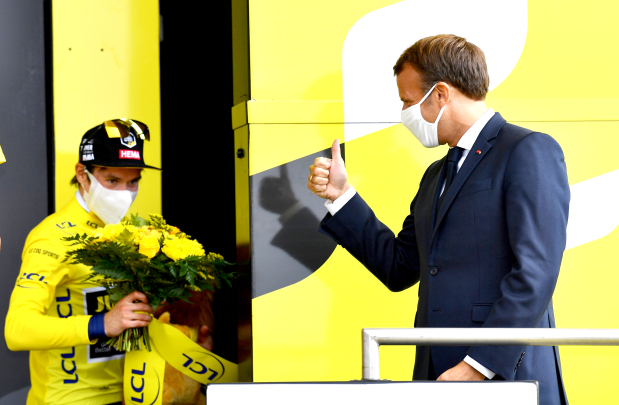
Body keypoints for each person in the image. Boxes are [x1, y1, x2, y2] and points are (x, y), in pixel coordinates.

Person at [307, 35, 569, 405]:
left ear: (441, 94)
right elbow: (399, 266)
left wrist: (479, 365)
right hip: (438, 376)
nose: (404, 112)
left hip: (506, 375)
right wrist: (341, 196)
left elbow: (537, 271)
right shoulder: (435, 175)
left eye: (407, 100)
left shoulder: (527, 150)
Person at [4, 119, 212, 405]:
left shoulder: (132, 232)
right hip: (69, 400)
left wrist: (183, 343)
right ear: (82, 174)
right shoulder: (51, 237)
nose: (123, 193)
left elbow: (135, 318)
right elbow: (17, 330)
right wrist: (101, 323)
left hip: (132, 392)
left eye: (133, 181)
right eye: (112, 181)